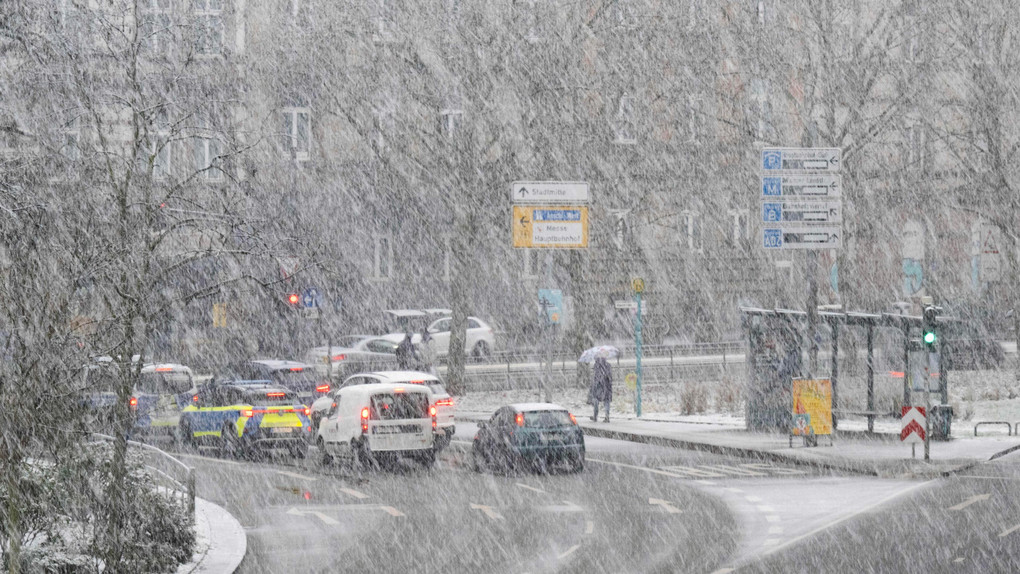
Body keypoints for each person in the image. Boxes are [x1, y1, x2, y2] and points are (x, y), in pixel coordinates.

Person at [590, 356, 612, 422]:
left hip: (598, 385)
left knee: (596, 400)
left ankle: (595, 416)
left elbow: (595, 376)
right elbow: (610, 376)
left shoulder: (596, 365)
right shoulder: (608, 365)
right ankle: (607, 416)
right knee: (606, 401)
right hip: (607, 385)